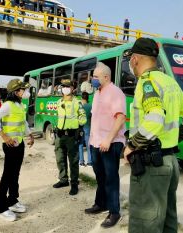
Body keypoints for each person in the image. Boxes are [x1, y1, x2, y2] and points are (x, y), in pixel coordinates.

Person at [123, 38, 183, 233]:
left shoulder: (146, 82)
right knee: (167, 219)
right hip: (170, 162)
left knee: (145, 223)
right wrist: (173, 138)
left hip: (151, 165)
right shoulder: (171, 83)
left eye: (130, 61)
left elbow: (156, 117)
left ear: (135, 59)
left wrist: (132, 145)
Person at [84, 62, 126, 228]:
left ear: (106, 77)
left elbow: (120, 118)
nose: (93, 79)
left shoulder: (115, 92)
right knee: (100, 176)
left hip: (110, 142)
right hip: (95, 143)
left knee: (111, 178)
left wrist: (108, 139)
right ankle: (100, 203)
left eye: (95, 77)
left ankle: (114, 212)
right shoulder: (97, 93)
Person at [0, 79, 35, 221]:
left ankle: (13, 200)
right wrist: (4, 136)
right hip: (10, 145)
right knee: (7, 175)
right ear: (16, 91)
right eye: (23, 89)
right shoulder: (7, 105)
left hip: (19, 144)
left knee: (15, 174)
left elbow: (23, 122)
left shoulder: (19, 105)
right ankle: (1, 207)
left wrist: (29, 134)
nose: (25, 92)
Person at [53, 79, 86, 195]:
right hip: (60, 135)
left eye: (67, 86)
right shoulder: (58, 102)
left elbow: (83, 117)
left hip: (72, 136)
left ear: (72, 89)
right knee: (60, 158)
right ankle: (63, 180)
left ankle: (74, 184)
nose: (65, 88)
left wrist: (78, 127)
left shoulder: (77, 102)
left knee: (73, 161)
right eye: (63, 86)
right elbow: (58, 117)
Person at [78, 92, 92, 166]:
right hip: (88, 128)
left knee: (80, 144)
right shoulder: (90, 106)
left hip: (80, 128)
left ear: (82, 98)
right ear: (87, 98)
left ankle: (81, 162)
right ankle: (90, 162)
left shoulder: (79, 106)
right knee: (88, 145)